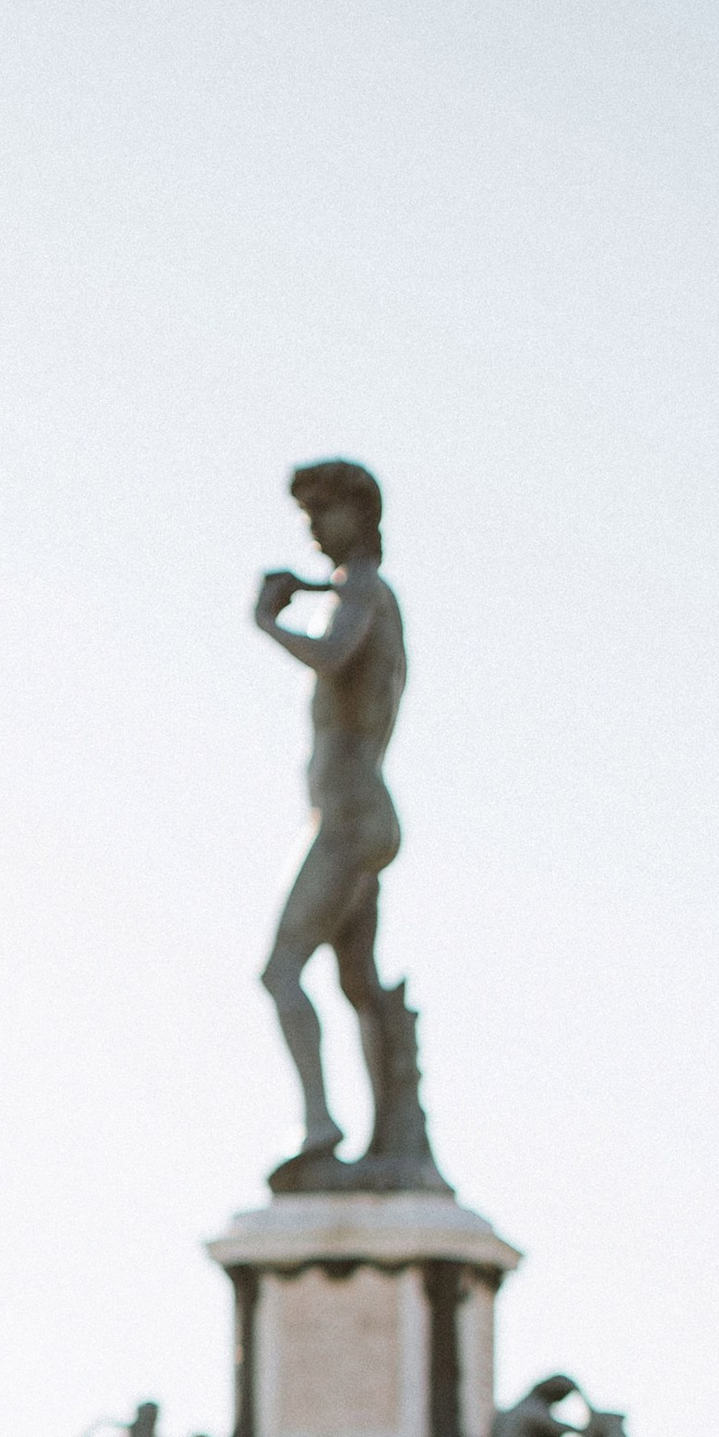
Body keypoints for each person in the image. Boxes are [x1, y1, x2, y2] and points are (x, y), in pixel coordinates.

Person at [255, 458, 409, 1180]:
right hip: (358, 813)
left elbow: (331, 654)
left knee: (281, 969)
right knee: (359, 987)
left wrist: (267, 622)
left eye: (322, 513)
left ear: (358, 513)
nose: (314, 530)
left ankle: (319, 1125)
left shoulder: (362, 591)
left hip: (348, 816)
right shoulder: (365, 592)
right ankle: (394, 1141)